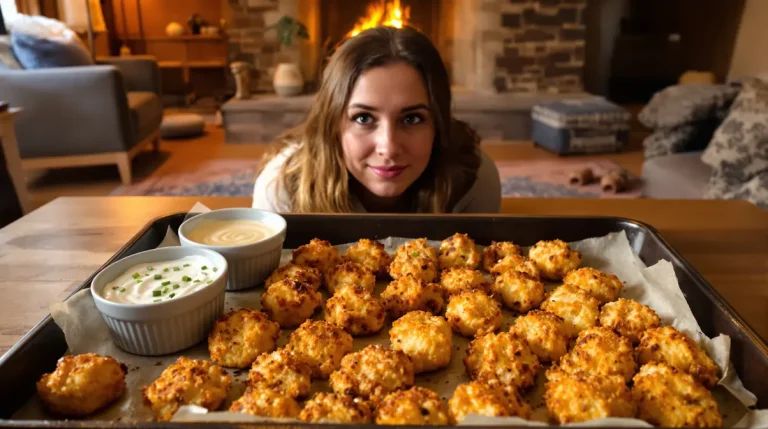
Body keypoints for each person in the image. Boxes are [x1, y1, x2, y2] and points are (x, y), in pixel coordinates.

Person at [252, 25, 501, 213]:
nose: (388, 148)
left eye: (412, 119)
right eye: (363, 118)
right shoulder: (282, 189)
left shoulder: (474, 178)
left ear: (438, 123)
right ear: (332, 123)